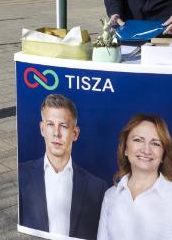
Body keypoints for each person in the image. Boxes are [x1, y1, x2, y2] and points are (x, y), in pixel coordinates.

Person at [19, 94, 109, 240]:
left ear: (75, 133)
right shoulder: (22, 174)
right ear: (42, 129)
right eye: (50, 125)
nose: (56, 133)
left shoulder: (97, 187)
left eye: (64, 126)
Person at [97, 114, 172, 240]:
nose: (146, 150)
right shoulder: (110, 196)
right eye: (138, 140)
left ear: (163, 155)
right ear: (125, 149)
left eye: (156, 144)